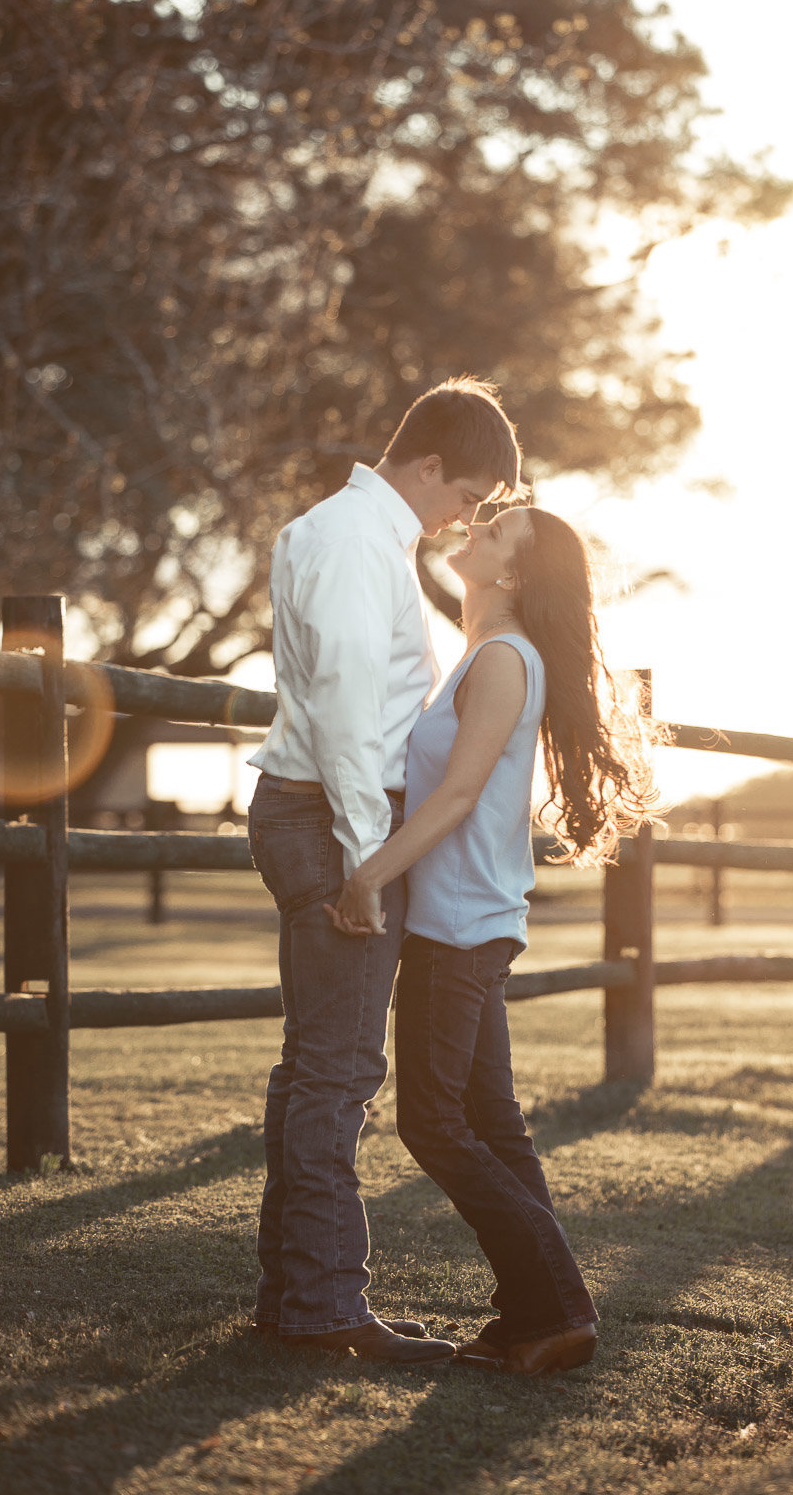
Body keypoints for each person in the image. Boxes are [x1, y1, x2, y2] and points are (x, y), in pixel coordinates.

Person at [328, 504, 656, 1375]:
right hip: (468, 921)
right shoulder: (482, 653)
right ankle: (540, 1317)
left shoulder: (504, 660)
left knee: (432, 1126)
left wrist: (369, 875)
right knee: (492, 1128)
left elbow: (460, 793)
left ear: (512, 575)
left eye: (494, 532)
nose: (472, 529)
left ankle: (556, 1308)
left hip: (457, 927)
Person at [245, 378, 522, 1364]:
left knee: (317, 1064)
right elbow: (352, 717)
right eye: (471, 493)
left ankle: (296, 1301)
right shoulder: (361, 545)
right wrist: (364, 861)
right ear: (432, 462)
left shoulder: (347, 533)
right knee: (341, 1067)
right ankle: (322, 1312)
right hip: (335, 820)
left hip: (317, 813)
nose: (468, 518)